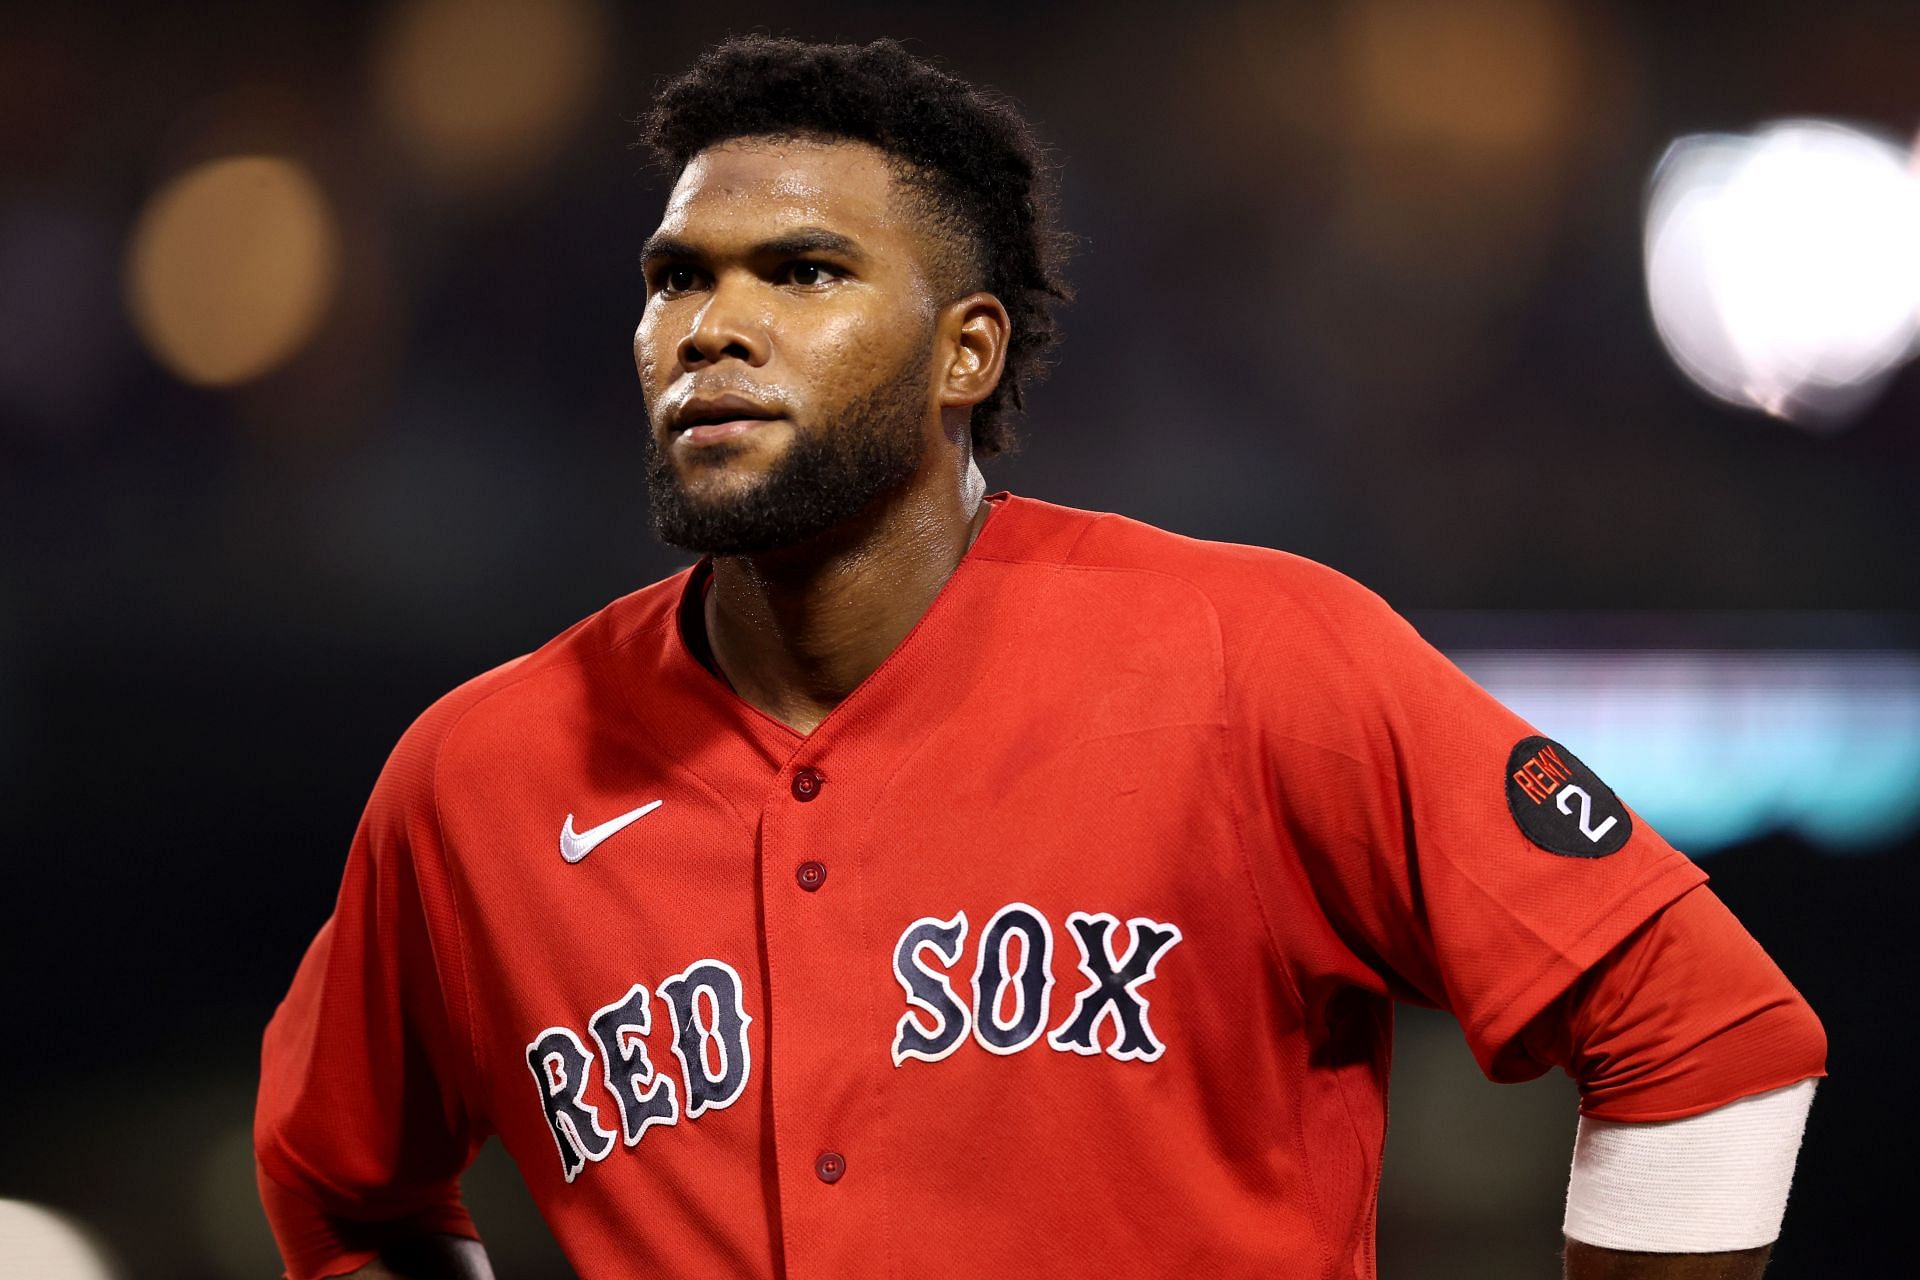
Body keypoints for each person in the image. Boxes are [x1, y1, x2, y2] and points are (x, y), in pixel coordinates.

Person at [255, 35, 1826, 1280]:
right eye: (679, 277)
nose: (708, 330)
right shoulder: (481, 775)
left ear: (967, 352)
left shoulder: (1251, 656)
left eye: (800, 273)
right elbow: (343, 1183)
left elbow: (1710, 1035)